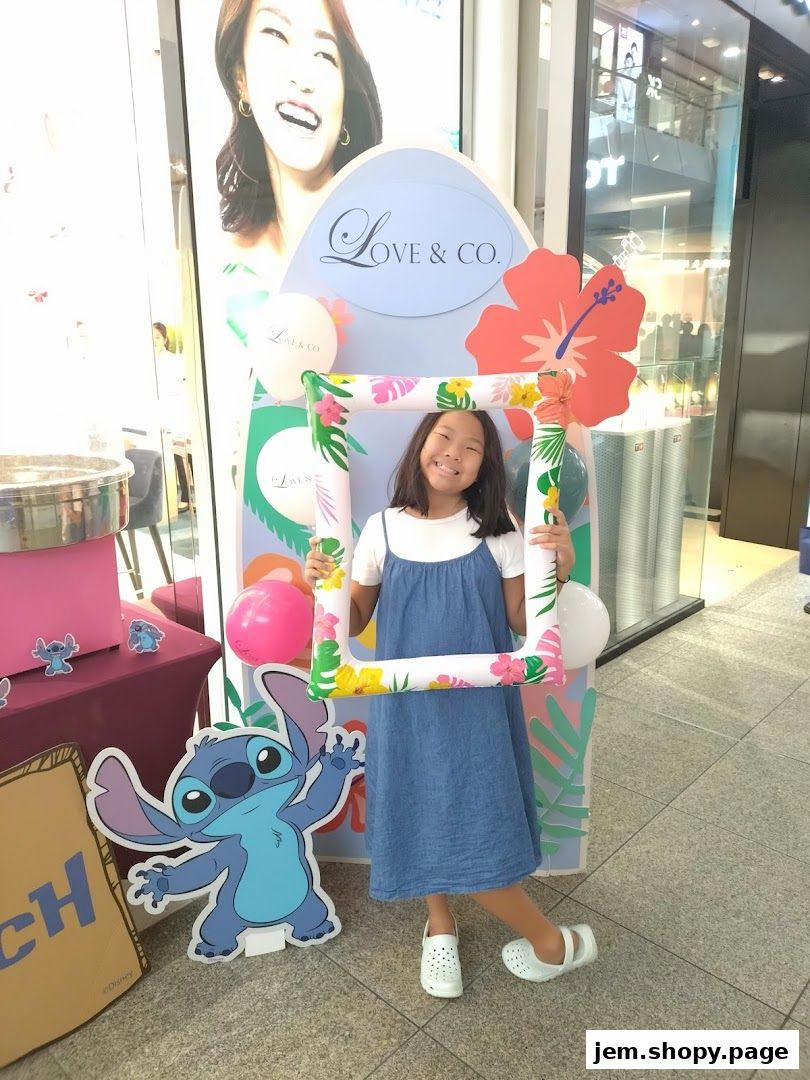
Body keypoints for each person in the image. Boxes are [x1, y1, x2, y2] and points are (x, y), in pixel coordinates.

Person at [304, 409, 598, 998]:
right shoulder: (380, 529)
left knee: (474, 817)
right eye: (445, 436)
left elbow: (520, 621)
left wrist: (558, 570)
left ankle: (554, 943)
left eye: (472, 447)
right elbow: (356, 620)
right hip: (406, 708)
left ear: (484, 466)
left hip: (477, 711)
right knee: (418, 808)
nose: (454, 452)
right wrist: (325, 584)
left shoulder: (501, 535)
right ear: (421, 444)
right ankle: (439, 925)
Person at [215, 0, 382, 291]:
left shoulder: (393, 248)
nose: (304, 78)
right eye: (277, 35)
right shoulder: (232, 271)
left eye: (324, 55)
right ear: (240, 77)